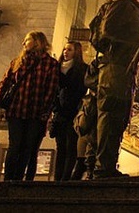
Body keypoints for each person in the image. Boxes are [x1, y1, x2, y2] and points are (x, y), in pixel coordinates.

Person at [94, 0, 139, 178]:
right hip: (115, 69)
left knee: (119, 118)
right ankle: (103, 166)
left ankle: (109, 164)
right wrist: (137, 38)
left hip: (123, 71)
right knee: (111, 116)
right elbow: (108, 31)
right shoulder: (122, 5)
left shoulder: (133, 9)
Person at [0, 31, 60, 180]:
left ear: (37, 42)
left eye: (27, 40)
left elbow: (51, 89)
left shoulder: (50, 64)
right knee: (14, 146)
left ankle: (18, 179)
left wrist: (44, 110)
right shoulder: (18, 62)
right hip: (16, 110)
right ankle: (8, 179)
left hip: (35, 112)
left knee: (27, 148)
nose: (23, 43)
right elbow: (5, 83)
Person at [51, 41, 88, 180]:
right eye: (65, 49)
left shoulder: (82, 69)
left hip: (74, 112)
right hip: (59, 112)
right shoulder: (56, 68)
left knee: (71, 146)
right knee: (60, 147)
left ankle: (65, 178)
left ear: (76, 52)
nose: (66, 52)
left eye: (70, 50)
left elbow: (81, 90)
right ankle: (58, 177)